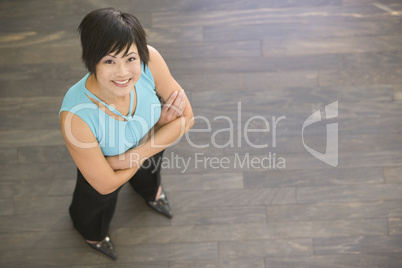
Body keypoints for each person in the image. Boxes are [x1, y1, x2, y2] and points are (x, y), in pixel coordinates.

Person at [59, 7, 194, 260]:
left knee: (150, 174)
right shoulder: (76, 115)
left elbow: (187, 118)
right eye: (109, 61)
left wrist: (136, 154)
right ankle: (93, 234)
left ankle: (150, 193)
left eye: (130, 59)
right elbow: (105, 182)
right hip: (107, 166)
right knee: (95, 202)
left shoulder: (150, 60)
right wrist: (159, 132)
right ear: (91, 60)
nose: (123, 73)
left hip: (147, 144)